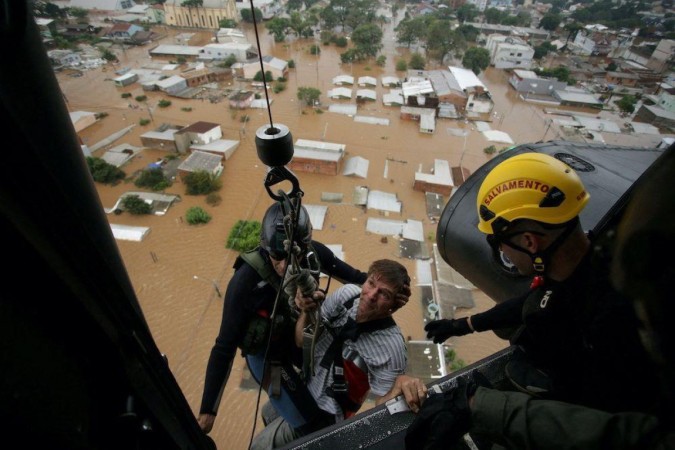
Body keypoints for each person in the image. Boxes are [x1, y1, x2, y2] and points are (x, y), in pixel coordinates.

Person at [406, 144, 675, 450]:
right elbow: (535, 301)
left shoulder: (612, 324)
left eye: (500, 244)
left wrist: (480, 407)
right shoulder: (589, 266)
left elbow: (599, 427)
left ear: (529, 242)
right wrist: (464, 324)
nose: (503, 253)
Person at [197, 201, 368, 437]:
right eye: (278, 255)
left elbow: (357, 279)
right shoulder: (245, 282)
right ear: (265, 249)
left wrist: (389, 288)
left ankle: (276, 413)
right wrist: (208, 411)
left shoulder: (314, 256)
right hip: (268, 358)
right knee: (315, 429)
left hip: (302, 343)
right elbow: (224, 346)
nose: (285, 264)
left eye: (293, 255)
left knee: (330, 401)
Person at [252, 259, 428, 449]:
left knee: (260, 446)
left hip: (324, 416)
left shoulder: (391, 347)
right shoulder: (347, 295)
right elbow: (301, 341)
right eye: (370, 283)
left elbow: (382, 409)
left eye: (384, 293)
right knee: (268, 413)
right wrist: (306, 310)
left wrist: (399, 387)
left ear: (393, 305)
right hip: (304, 386)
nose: (370, 296)